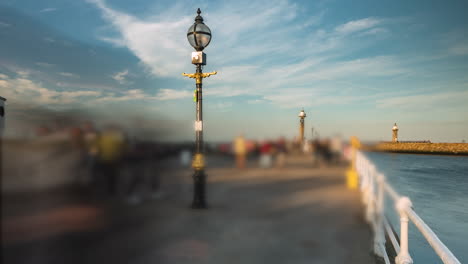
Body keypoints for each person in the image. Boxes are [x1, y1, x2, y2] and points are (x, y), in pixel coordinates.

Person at [92, 125, 127, 196]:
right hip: (105, 159)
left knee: (112, 176)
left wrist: (122, 155)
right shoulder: (101, 137)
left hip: (113, 160)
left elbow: (124, 147)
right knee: (107, 175)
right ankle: (109, 190)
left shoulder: (118, 137)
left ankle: (110, 191)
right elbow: (95, 147)